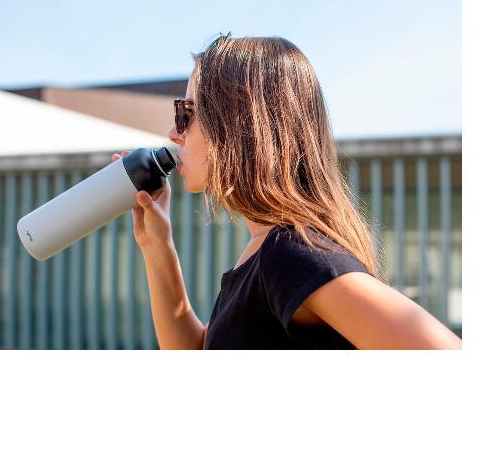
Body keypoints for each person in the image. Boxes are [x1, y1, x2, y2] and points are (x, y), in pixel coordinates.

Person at [112, 33, 462, 350]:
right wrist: (157, 246)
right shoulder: (265, 249)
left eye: (187, 112)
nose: (175, 132)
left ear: (237, 121)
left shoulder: (290, 253)